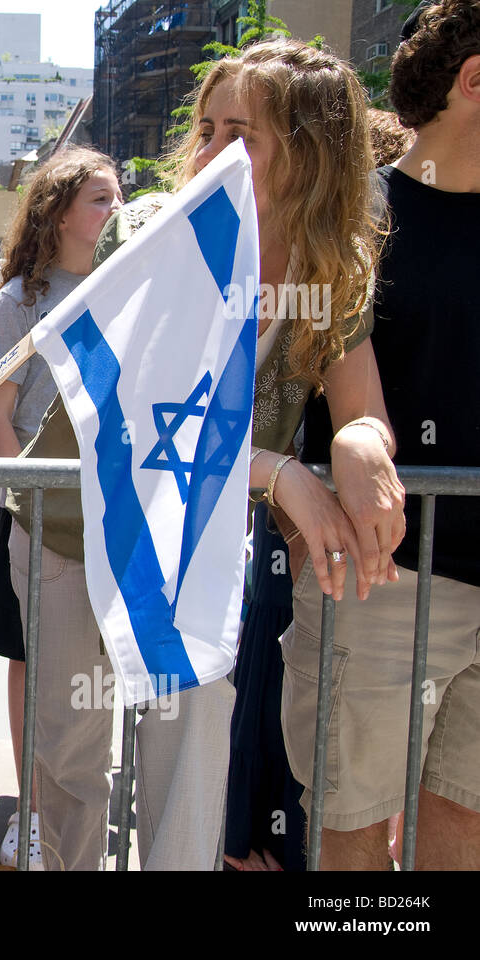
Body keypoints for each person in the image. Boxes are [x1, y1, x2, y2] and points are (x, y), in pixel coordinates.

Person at [6, 38, 403, 870]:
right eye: (208, 126)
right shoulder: (147, 230)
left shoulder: (333, 269)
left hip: (197, 550)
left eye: (244, 135)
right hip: (76, 530)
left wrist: (363, 444)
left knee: (191, 761)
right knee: (71, 765)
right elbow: (152, 416)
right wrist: (284, 474)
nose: (212, 151)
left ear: (311, 154)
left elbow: (362, 413)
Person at [284, 0, 480, 870]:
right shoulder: (355, 216)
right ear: (475, 81)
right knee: (351, 829)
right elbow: (328, 373)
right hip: (381, 575)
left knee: (466, 825)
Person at [0, 146, 122, 868]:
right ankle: (33, 810)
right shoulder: (22, 297)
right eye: (99, 197)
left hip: (111, 509)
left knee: (97, 668)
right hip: (33, 511)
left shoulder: (134, 287)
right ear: (59, 211)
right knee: (32, 659)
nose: (114, 210)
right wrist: (17, 494)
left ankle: (76, 810)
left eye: (118, 196)